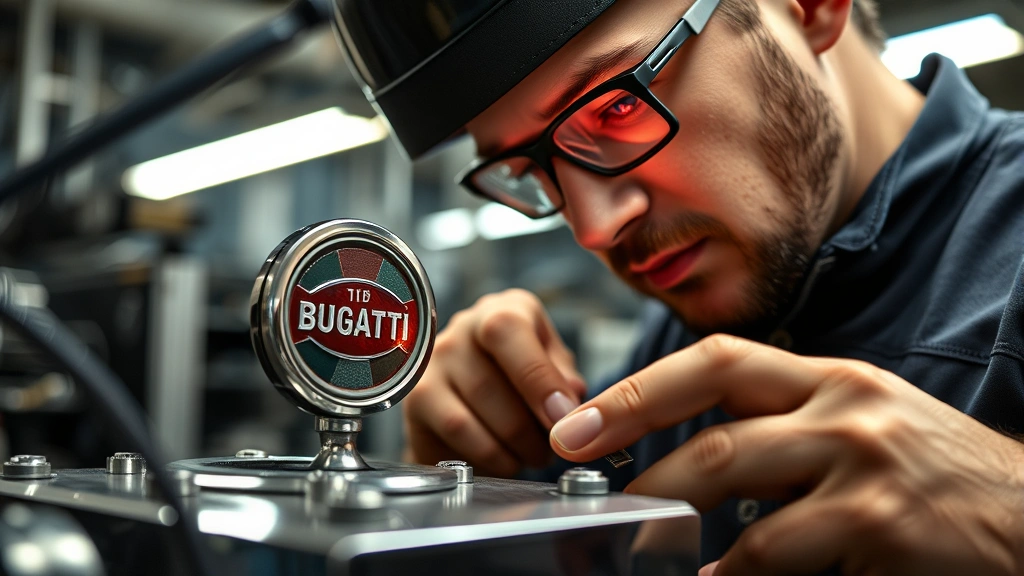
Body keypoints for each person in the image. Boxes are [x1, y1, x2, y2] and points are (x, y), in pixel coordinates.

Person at [337, 0, 1024, 573]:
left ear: (809, 9)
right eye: (530, 171)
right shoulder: (664, 356)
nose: (593, 228)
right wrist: (460, 501)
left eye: (615, 108)